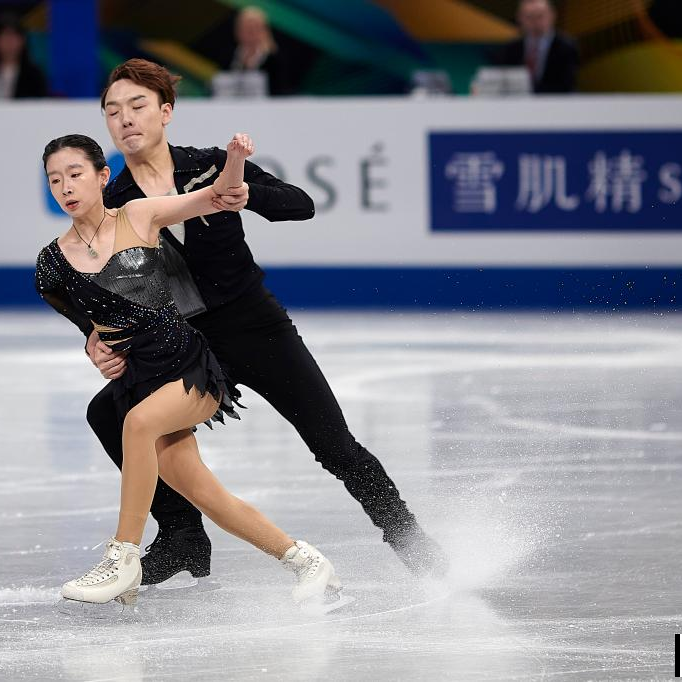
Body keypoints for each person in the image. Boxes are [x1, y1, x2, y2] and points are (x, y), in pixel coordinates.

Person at [86, 58, 446, 589]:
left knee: (335, 446)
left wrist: (249, 194)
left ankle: (412, 543)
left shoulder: (211, 166)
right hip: (187, 346)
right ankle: (184, 536)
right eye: (113, 112)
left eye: (137, 106)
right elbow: (106, 293)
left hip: (257, 328)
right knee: (109, 411)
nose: (126, 120)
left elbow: (301, 205)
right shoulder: (113, 204)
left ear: (165, 112)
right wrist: (95, 342)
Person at [36, 132, 344, 608]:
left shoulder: (137, 214)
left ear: (101, 177)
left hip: (188, 368)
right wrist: (94, 349)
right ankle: (305, 561)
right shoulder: (51, 264)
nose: (66, 187)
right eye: (55, 180)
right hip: (138, 380)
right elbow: (92, 327)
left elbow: (217, 196)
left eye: (75, 174)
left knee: (136, 426)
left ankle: (123, 559)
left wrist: (236, 162)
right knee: (206, 493)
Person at [493, 0, 579, 94]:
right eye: (529, 17)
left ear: (552, 15)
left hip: (556, 103)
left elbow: (567, 85)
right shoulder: (510, 49)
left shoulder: (566, 47)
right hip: (518, 105)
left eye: (540, 16)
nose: (535, 22)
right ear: (519, 18)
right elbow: (501, 81)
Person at [222, 6, 294, 96]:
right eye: (247, 28)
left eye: (255, 28)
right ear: (238, 31)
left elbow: (282, 91)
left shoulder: (275, 59)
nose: (251, 32)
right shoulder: (228, 56)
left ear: (264, 31)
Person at [0, 14, 47, 99]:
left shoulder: (34, 74)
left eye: (13, 37)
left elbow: (40, 105)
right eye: (4, 36)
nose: (9, 42)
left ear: (23, 41)